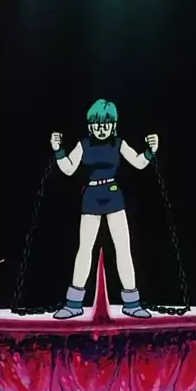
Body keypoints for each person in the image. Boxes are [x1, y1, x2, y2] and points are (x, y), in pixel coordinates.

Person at [49, 99, 158, 320]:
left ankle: (132, 303)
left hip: (114, 197)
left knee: (123, 249)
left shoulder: (118, 143)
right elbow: (68, 169)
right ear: (90, 126)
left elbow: (138, 163)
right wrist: (58, 150)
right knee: (84, 249)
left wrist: (150, 151)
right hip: (91, 198)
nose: (102, 129)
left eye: (106, 124)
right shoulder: (84, 144)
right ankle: (73, 304)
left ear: (113, 125)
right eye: (97, 124)